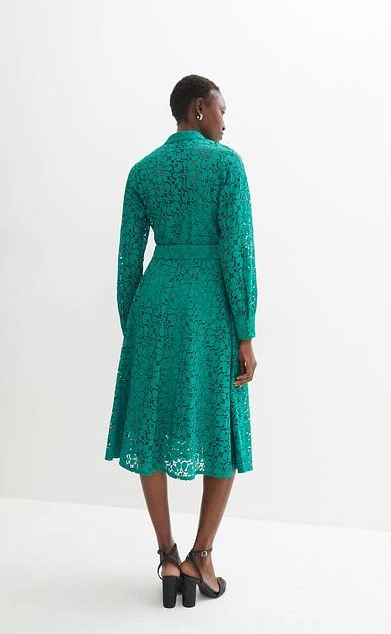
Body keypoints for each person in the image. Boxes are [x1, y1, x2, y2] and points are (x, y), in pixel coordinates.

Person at [104, 74, 258, 608]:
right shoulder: (227, 165)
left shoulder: (142, 171)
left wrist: (133, 327)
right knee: (224, 428)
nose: (224, 121)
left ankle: (167, 556)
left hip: (154, 308)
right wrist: (246, 333)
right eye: (221, 110)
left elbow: (128, 260)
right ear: (198, 108)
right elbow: (238, 252)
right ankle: (201, 557)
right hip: (211, 311)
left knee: (150, 428)